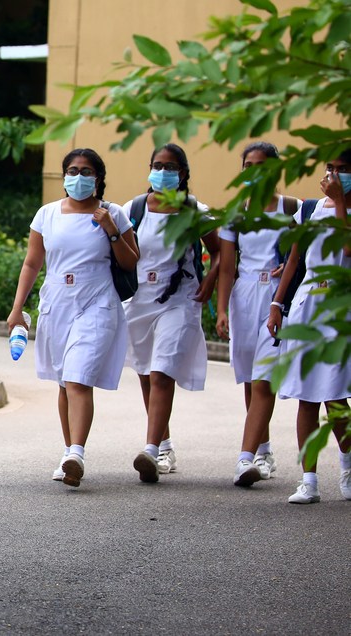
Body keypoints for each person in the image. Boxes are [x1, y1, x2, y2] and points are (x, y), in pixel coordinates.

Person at [7, 148, 139, 487]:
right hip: (57, 303)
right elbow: (32, 262)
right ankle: (68, 454)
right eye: (73, 171)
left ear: (98, 178)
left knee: (79, 376)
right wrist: (17, 308)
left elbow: (130, 261)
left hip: (97, 302)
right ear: (64, 176)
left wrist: (110, 229)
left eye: (86, 171)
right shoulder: (47, 214)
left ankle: (77, 452)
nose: (79, 177)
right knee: (65, 381)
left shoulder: (113, 213)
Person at [122, 143, 220, 483]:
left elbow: (220, 251)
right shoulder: (134, 209)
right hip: (140, 299)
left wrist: (210, 282)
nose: (163, 172)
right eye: (157, 165)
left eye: (170, 167)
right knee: (146, 372)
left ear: (183, 173)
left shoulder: (195, 211)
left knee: (162, 371)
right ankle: (164, 445)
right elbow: (119, 251)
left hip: (179, 298)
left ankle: (150, 450)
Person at [268, 148, 351, 504]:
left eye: (343, 169)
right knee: (305, 396)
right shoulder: (310, 209)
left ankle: (347, 468)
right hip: (307, 305)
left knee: (334, 395)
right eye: (330, 168)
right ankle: (309, 480)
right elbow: (295, 259)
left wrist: (341, 202)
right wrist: (277, 304)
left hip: (340, 307)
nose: (334, 175)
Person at [216, 142, 298, 487]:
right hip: (244, 295)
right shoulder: (236, 213)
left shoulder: (292, 209)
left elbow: (302, 254)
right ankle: (263, 451)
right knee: (251, 379)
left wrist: (288, 270)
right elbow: (226, 267)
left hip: (276, 296)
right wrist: (221, 309)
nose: (253, 171)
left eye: (260, 165)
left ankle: (245, 458)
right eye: (247, 165)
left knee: (264, 378)